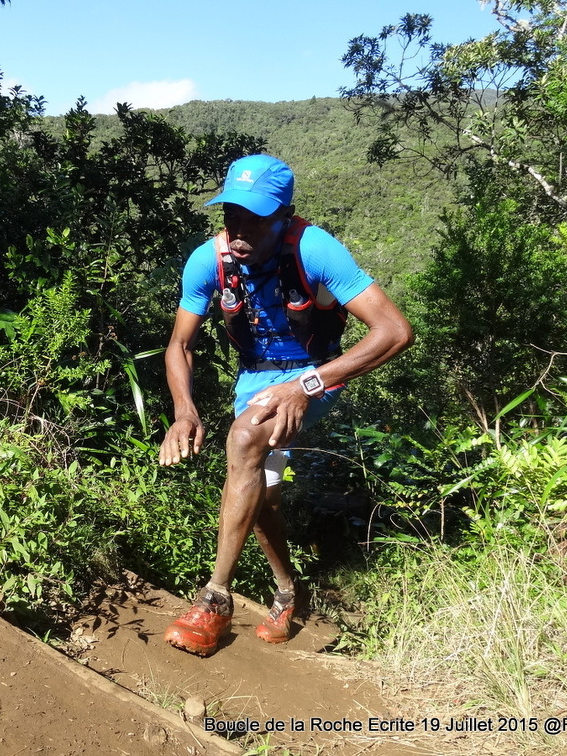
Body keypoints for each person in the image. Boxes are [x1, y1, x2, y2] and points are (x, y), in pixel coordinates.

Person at [159, 154, 413, 656]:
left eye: (254, 218)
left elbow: (394, 330)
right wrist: (184, 410)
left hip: (316, 373)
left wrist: (306, 386)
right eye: (232, 215)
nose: (239, 230)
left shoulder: (313, 248)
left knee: (244, 438)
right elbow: (180, 345)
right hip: (254, 379)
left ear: (285, 215)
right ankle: (288, 592)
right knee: (259, 497)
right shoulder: (209, 259)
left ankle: (214, 599)